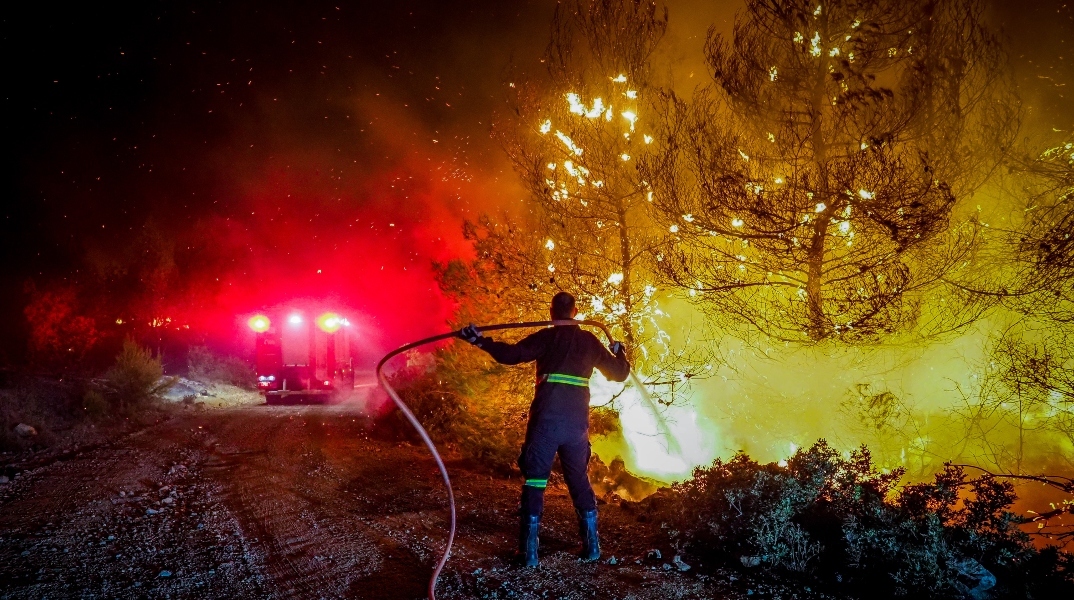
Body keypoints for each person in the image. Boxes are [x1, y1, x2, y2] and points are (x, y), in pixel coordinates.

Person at [457, 292, 630, 567]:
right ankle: (592, 548)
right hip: (576, 427)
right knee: (578, 480)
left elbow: (511, 354)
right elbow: (619, 374)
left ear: (552, 313)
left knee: (535, 482)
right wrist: (620, 353)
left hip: (545, 424)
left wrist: (478, 340)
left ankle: (529, 554)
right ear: (575, 311)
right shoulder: (590, 342)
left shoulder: (546, 338)